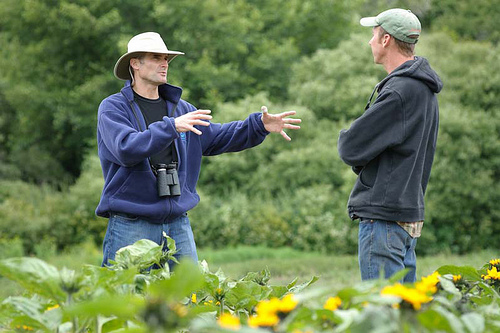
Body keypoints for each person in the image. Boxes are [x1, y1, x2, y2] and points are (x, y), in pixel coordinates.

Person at [96, 32, 301, 267]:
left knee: (190, 298)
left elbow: (219, 137)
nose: (164, 64)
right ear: (135, 63)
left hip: (177, 223)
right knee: (123, 299)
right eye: (156, 57)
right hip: (131, 223)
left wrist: (258, 125)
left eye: (166, 59)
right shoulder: (113, 108)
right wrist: (171, 126)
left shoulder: (182, 109)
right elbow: (126, 148)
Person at [337, 9, 443, 282]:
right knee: (406, 316)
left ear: (386, 40)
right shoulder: (424, 89)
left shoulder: (400, 91)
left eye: (373, 34)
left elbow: (350, 147)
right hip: (406, 215)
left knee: (384, 313)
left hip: (383, 219)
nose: (369, 41)